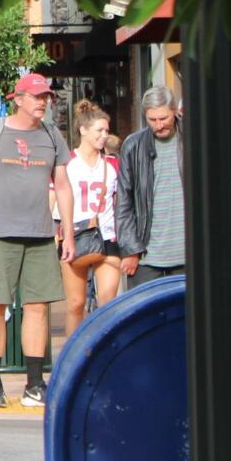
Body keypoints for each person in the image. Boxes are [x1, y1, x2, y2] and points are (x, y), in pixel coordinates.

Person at [0, 71, 75, 409]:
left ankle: (34, 383)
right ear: (19, 99)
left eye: (46, 97)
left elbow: (64, 185)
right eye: (37, 97)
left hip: (40, 234)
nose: (43, 102)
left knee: (38, 307)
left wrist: (68, 231)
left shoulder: (52, 135)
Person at [57, 100, 121, 337]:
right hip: (76, 236)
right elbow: (54, 199)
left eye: (107, 131)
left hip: (108, 235)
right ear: (83, 130)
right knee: (75, 303)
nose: (104, 136)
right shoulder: (67, 163)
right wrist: (59, 234)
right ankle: (72, 358)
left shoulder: (112, 163)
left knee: (107, 301)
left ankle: (104, 353)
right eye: (99, 131)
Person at [115, 85, 186, 290]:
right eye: (152, 120)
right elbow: (124, 201)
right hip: (146, 255)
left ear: (174, 111)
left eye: (163, 118)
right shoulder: (133, 145)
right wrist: (130, 249)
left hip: (189, 253)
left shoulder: (195, 138)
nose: (158, 125)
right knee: (146, 319)